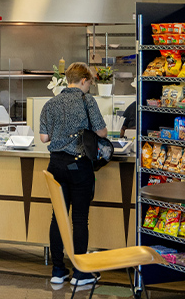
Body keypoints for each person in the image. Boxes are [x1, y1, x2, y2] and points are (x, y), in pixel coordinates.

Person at [39, 62, 107, 287]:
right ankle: (80, 273)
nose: (89, 87)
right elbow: (101, 132)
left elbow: (44, 138)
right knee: (79, 219)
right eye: (89, 83)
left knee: (58, 217)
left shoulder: (51, 103)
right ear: (84, 80)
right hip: (79, 166)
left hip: (55, 166)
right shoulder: (88, 101)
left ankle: (58, 271)